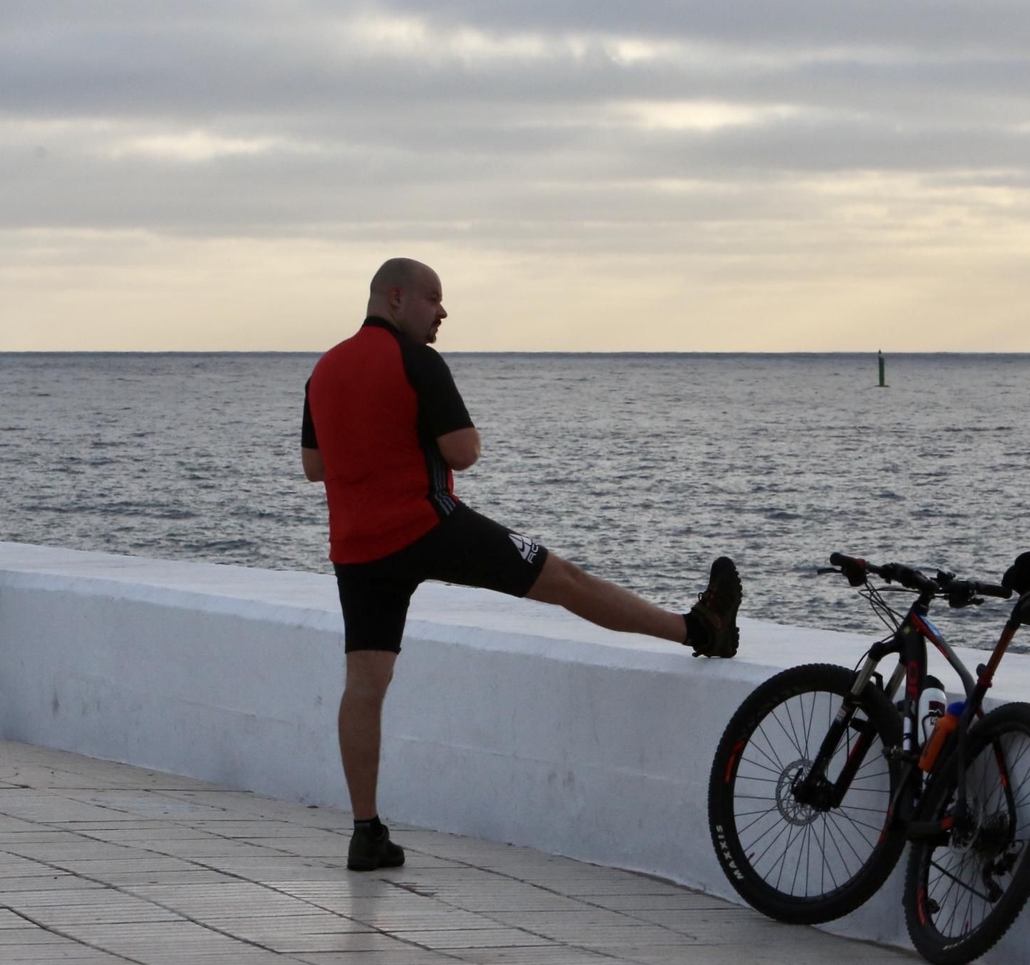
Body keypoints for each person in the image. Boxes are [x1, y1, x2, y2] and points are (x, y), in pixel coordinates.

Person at [302, 257, 743, 871]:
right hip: (427, 525)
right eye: (434, 300)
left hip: (358, 547)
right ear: (396, 299)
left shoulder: (323, 369)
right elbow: (466, 451)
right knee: (565, 580)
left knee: (365, 686)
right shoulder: (417, 361)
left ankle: (366, 831)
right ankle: (701, 629)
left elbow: (315, 467)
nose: (443, 313)